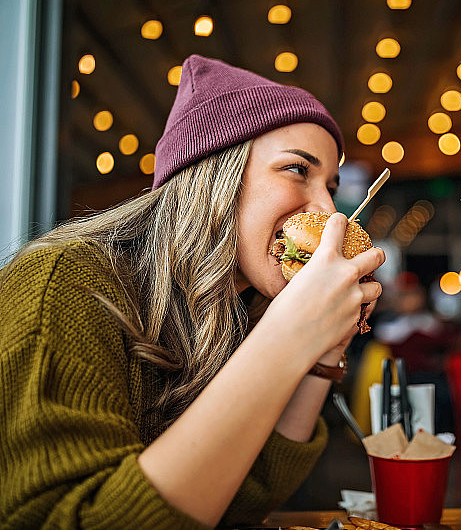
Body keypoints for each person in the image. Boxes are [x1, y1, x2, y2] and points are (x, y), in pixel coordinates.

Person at [0, 54, 384, 529]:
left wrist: (323, 354)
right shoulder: (62, 281)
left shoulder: (238, 312)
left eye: (331, 187)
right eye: (297, 170)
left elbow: (242, 498)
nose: (329, 210)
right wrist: (285, 338)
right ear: (215, 173)